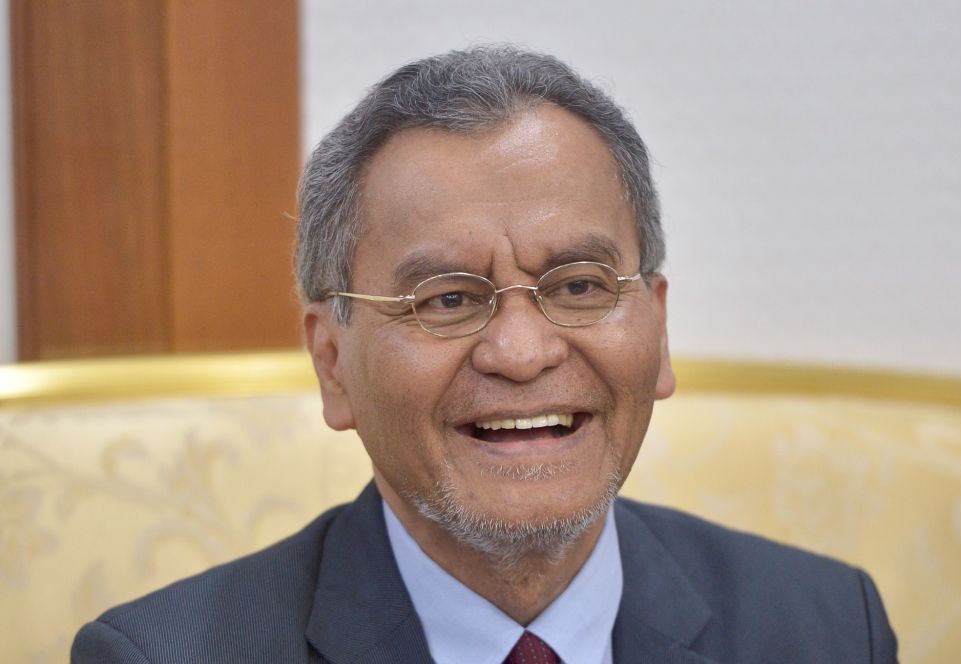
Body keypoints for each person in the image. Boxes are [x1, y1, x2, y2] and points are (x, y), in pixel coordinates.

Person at [72, 45, 897, 663]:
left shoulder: (824, 626)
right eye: (448, 301)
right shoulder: (162, 656)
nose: (521, 351)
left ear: (658, 326)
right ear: (333, 363)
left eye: (578, 285)